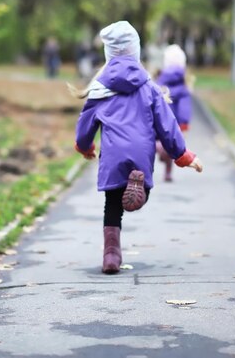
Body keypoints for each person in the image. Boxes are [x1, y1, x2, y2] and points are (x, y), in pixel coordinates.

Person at [70, 21, 203, 274]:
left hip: (112, 155)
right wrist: (183, 155)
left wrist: (85, 146)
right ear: (136, 51)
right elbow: (167, 125)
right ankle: (137, 194)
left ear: (108, 54)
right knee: (138, 193)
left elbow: (86, 123)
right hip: (141, 154)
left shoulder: (100, 88)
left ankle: (111, 255)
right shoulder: (149, 87)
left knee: (112, 205)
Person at [155, 44, 192, 182]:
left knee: (154, 144)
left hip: (158, 120)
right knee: (172, 149)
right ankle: (168, 172)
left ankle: (156, 150)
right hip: (173, 124)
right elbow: (184, 107)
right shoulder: (183, 87)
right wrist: (184, 124)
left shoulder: (160, 81)